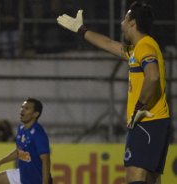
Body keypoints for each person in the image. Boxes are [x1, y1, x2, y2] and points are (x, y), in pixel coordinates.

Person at [57, 2, 171, 184]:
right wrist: (81, 29)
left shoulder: (144, 46)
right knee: (150, 180)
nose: (121, 22)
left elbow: (153, 76)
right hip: (156, 122)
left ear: (132, 22)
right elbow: (109, 44)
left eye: (125, 18)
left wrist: (140, 106)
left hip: (146, 121)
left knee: (134, 177)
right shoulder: (138, 48)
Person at [0, 98, 53, 184]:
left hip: (36, 179)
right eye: (22, 107)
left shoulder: (38, 133)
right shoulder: (21, 128)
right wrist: (0, 162)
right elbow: (19, 151)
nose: (22, 110)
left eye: (27, 108)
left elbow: (46, 161)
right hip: (22, 175)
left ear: (36, 114)